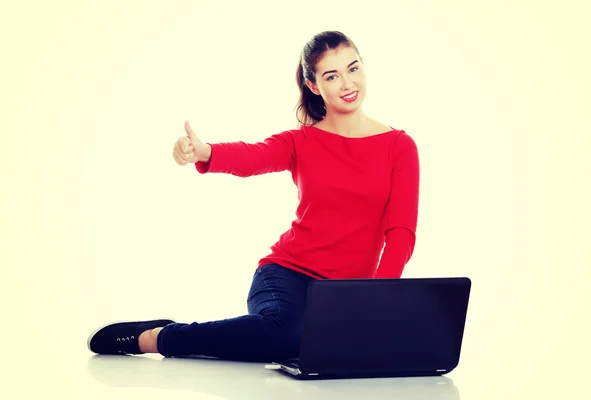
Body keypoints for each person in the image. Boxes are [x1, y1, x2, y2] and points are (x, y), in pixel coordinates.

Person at [87, 30, 420, 362]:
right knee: (285, 336)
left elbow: (401, 234)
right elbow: (253, 156)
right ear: (315, 86)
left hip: (348, 292)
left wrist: (376, 298)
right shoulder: (299, 142)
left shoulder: (399, 147)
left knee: (337, 346)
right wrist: (204, 152)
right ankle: (158, 338)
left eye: (353, 68)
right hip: (288, 275)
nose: (348, 84)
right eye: (332, 76)